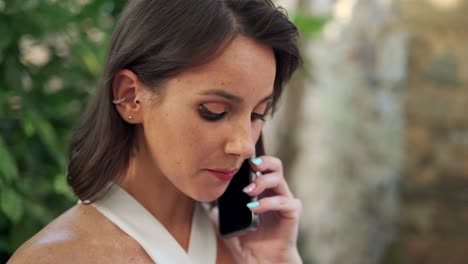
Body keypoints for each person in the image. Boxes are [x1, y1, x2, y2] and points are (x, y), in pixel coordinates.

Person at [8, 0, 302, 263]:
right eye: (214, 111)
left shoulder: (249, 249)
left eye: (257, 114)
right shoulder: (54, 258)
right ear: (130, 97)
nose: (245, 145)